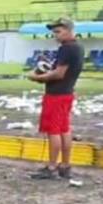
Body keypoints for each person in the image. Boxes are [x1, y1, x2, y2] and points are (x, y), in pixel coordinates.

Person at [28, 16, 84, 180]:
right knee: (64, 130)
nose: (56, 35)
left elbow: (59, 74)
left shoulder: (66, 48)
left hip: (57, 95)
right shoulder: (78, 47)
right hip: (67, 93)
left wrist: (37, 77)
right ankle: (65, 165)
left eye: (58, 31)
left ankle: (52, 167)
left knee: (54, 131)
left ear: (69, 30)